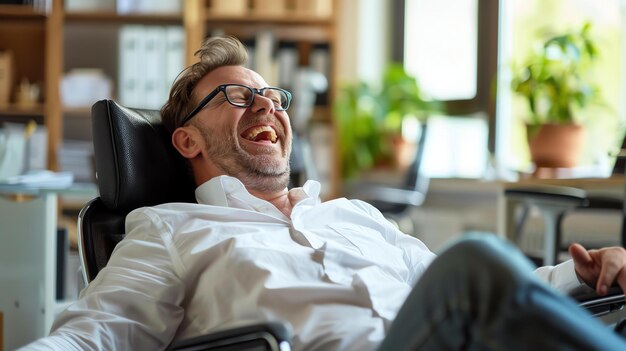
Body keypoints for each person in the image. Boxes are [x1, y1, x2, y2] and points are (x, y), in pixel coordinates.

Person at [21, 36, 626, 351]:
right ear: (185, 141)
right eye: (235, 96)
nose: (265, 104)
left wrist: (588, 273)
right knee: (476, 259)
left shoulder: (354, 215)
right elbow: (97, 333)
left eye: (273, 97)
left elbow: (485, 293)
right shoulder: (170, 228)